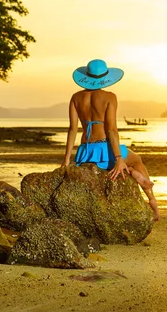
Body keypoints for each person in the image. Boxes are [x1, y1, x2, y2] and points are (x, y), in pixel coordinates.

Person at [61, 58, 159, 220]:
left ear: (87, 76)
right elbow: (111, 130)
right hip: (105, 151)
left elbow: (72, 129)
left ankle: (132, 172)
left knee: (129, 160)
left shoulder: (76, 97)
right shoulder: (109, 97)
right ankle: (152, 200)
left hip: (85, 153)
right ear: (104, 78)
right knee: (136, 159)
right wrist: (119, 158)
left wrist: (66, 160)